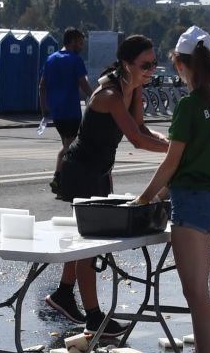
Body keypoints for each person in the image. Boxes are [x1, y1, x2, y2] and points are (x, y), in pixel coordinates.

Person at [47, 36, 170, 334]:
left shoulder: (133, 86)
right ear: (127, 63)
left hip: (100, 171)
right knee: (92, 245)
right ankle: (93, 316)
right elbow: (138, 141)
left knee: (86, 241)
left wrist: (166, 140)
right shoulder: (110, 94)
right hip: (80, 171)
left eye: (154, 64)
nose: (151, 69)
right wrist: (175, 149)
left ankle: (64, 293)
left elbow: (141, 127)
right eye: (145, 64)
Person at [135, 28, 210, 353]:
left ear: (179, 63)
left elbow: (172, 162)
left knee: (196, 294)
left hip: (190, 201)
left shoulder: (190, 105)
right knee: (200, 292)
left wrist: (144, 198)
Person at [38, 28, 91, 192]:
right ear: (73, 41)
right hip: (71, 111)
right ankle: (57, 176)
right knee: (70, 146)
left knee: (67, 144)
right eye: (80, 43)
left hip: (56, 112)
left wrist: (44, 109)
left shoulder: (50, 59)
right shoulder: (75, 60)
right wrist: (97, 96)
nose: (81, 46)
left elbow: (42, 86)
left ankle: (66, 179)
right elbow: (83, 84)